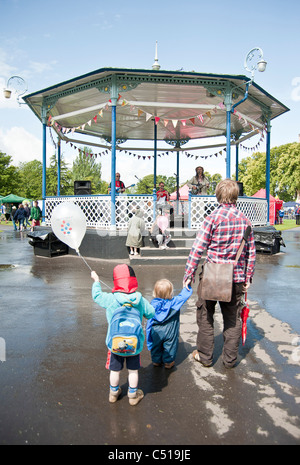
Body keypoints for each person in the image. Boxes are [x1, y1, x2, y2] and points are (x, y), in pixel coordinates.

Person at [183, 179, 256, 368]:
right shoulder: (245, 221)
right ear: (236, 196)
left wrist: (189, 275)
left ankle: (205, 356)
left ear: (218, 195)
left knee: (205, 316)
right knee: (232, 320)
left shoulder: (212, 218)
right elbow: (251, 253)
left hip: (212, 276)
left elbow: (197, 249)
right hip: (236, 278)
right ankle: (230, 360)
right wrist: (248, 277)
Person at [91, 264, 155, 405]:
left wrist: (96, 281)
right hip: (134, 344)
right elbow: (151, 313)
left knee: (115, 370)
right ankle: (133, 396)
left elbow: (96, 296)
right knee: (133, 371)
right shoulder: (140, 300)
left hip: (115, 344)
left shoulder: (111, 299)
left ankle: (113, 393)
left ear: (116, 281)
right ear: (134, 280)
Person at [146, 279, 192, 369]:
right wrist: (187, 285)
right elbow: (184, 295)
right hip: (170, 331)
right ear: (170, 292)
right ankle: (168, 362)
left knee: (156, 346)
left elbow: (149, 320)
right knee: (170, 346)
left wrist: (148, 336)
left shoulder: (152, 305)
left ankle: (156, 361)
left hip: (156, 331)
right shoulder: (175, 302)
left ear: (155, 292)